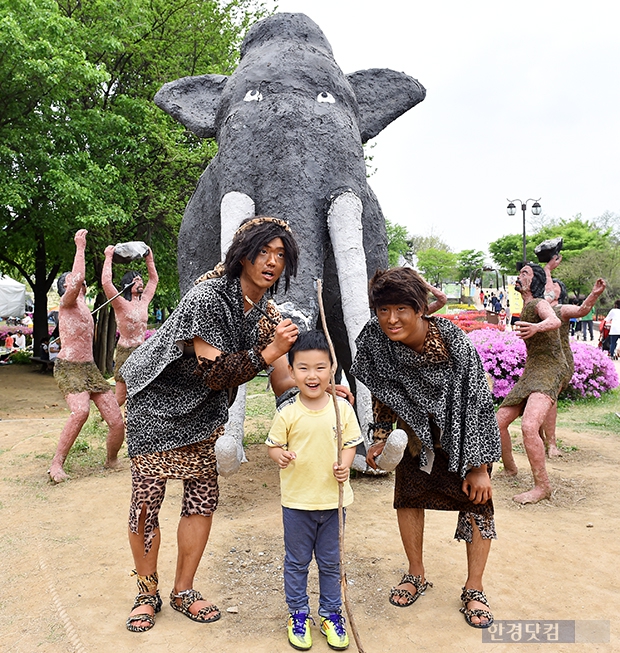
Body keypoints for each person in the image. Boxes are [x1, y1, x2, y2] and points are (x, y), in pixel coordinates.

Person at [120, 216, 300, 633]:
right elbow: (216, 372)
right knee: (147, 501)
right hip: (157, 406)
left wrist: (319, 397)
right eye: (263, 252)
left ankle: (184, 590)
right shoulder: (209, 298)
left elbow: (284, 379)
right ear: (242, 255)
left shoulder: (266, 313)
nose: (271, 262)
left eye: (280, 255)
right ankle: (147, 592)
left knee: (201, 500)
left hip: (204, 414)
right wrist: (271, 350)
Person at [350, 267, 501, 629]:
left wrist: (478, 466)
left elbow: (478, 400)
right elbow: (384, 388)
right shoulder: (375, 337)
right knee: (409, 497)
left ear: (420, 308)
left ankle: (474, 587)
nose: (391, 319)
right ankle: (415, 573)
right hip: (414, 432)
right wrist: (382, 434)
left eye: (401, 308)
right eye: (383, 309)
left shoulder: (452, 341)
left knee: (477, 505)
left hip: (463, 429)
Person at [266, 330, 362, 651]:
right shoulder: (288, 412)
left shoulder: (341, 409)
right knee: (297, 562)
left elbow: (350, 442)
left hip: (334, 503)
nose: (312, 375)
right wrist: (281, 455)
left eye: (320, 367)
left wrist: (344, 464)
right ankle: (298, 613)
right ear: (291, 372)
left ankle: (331, 614)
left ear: (331, 369)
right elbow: (274, 445)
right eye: (303, 368)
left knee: (332, 562)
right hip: (297, 503)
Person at [49, 230, 125, 483]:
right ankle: (56, 463)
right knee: (80, 412)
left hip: (89, 369)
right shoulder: (67, 303)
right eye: (73, 280)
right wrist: (79, 247)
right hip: (69, 367)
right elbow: (77, 276)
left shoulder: (83, 305)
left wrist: (108, 257)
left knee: (116, 420)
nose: (79, 281)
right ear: (66, 286)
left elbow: (98, 281)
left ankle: (111, 459)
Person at [495, 263, 565, 504]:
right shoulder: (525, 305)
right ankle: (510, 468)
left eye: (525, 273)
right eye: (520, 272)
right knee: (499, 422)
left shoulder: (538, 304)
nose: (519, 276)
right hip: (531, 372)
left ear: (533, 281)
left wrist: (536, 326)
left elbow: (554, 321)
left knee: (528, 426)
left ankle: (542, 486)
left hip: (549, 370)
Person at [540, 278, 606, 457]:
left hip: (559, 361)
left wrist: (594, 294)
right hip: (539, 362)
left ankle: (551, 443)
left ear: (560, 292)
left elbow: (582, 310)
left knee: (549, 398)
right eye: (546, 285)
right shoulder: (538, 306)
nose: (548, 288)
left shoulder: (561, 309)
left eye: (553, 286)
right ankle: (541, 439)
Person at [102, 244, 159, 406]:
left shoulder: (144, 301)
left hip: (142, 350)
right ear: (127, 285)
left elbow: (154, 280)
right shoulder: (120, 303)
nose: (140, 283)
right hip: (125, 351)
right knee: (120, 396)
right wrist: (108, 257)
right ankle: (108, 418)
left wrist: (149, 257)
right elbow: (106, 283)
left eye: (140, 280)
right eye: (136, 281)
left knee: (144, 392)